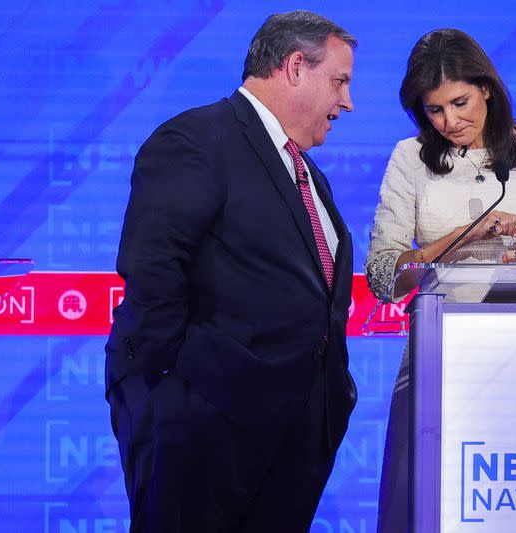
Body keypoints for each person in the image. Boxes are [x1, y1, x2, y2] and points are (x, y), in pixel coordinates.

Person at [104, 11, 357, 532]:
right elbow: (153, 268)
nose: (347, 101)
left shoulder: (305, 172)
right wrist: (169, 392)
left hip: (294, 435)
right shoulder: (198, 138)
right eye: (340, 81)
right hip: (205, 426)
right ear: (294, 67)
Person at [364, 28, 516, 531]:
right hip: (439, 360)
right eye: (435, 110)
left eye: (460, 102)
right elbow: (383, 275)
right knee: (422, 508)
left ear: (486, 87)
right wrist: (464, 236)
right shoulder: (410, 159)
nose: (450, 121)